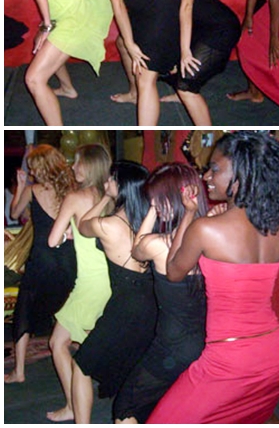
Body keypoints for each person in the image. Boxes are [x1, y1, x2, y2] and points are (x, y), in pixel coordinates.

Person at [147, 132, 279, 423]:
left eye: (214, 169)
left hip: (230, 359)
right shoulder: (278, 229)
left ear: (240, 177)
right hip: (275, 352)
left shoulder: (206, 228)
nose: (206, 176)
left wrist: (189, 216)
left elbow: (173, 271)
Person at [114, 163, 209, 424]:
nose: (154, 203)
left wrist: (153, 211)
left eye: (158, 199)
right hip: (205, 344)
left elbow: (137, 250)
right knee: (169, 407)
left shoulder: (158, 245)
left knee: (126, 407)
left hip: (172, 346)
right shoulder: (212, 239)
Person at [70, 161, 156, 424]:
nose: (106, 182)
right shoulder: (149, 221)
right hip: (151, 303)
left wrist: (105, 199)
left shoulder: (108, 225)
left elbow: (83, 226)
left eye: (111, 180)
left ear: (121, 186)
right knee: (133, 367)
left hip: (125, 305)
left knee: (82, 364)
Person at [45, 144, 112, 422]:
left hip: (90, 283)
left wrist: (64, 235)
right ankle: (77, 404)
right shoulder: (110, 197)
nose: (73, 168)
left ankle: (74, 408)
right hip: (111, 279)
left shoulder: (75, 197)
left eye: (77, 162)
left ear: (90, 165)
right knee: (73, 342)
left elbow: (52, 240)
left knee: (58, 343)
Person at [4, 145, 77, 384]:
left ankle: (19, 371)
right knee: (69, 306)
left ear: (42, 167)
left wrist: (20, 185)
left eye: (33, 168)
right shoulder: (72, 191)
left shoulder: (32, 190)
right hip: (68, 258)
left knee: (24, 308)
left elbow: (14, 214)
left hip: (42, 258)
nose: (32, 172)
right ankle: (79, 357)